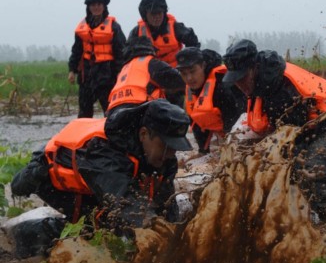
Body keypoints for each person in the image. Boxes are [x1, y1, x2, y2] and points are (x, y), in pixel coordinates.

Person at [222, 40, 326, 230]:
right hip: (314, 129)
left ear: (254, 67)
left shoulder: (281, 90)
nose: (239, 84)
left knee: (310, 169)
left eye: (242, 77)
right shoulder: (262, 81)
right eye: (235, 79)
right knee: (288, 167)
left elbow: (293, 138)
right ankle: (318, 222)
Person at [11, 99, 192, 234]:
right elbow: (126, 206)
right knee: (96, 228)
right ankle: (24, 235)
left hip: (95, 180)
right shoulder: (104, 152)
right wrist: (157, 232)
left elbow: (166, 205)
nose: (171, 154)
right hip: (46, 175)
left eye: (176, 147)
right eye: (166, 146)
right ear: (144, 134)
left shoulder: (165, 158)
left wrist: (175, 232)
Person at [176, 47, 246, 153]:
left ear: (203, 66)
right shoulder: (191, 89)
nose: (189, 78)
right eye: (184, 74)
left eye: (192, 71)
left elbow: (237, 120)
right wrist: (203, 151)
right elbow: (197, 122)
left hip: (241, 127)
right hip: (221, 130)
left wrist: (230, 149)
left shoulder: (221, 85)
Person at [68, 0, 126, 117]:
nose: (96, 7)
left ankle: (111, 134)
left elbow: (121, 52)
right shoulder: (82, 28)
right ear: (88, 8)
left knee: (111, 111)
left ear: (104, 7)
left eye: (99, 4)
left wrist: (120, 74)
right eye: (93, 5)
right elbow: (76, 50)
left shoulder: (114, 27)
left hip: (107, 77)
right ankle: (85, 135)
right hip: (86, 77)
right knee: (84, 113)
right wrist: (72, 70)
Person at [107, 36, 186, 111]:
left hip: (113, 113)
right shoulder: (151, 63)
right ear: (150, 49)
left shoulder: (124, 69)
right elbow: (182, 80)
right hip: (138, 111)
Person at [126, 0, 200, 68]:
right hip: (148, 74)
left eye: (159, 13)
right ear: (145, 15)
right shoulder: (137, 32)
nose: (157, 17)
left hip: (175, 73)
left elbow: (193, 43)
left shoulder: (176, 27)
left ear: (164, 13)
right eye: (153, 14)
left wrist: (187, 63)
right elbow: (126, 54)